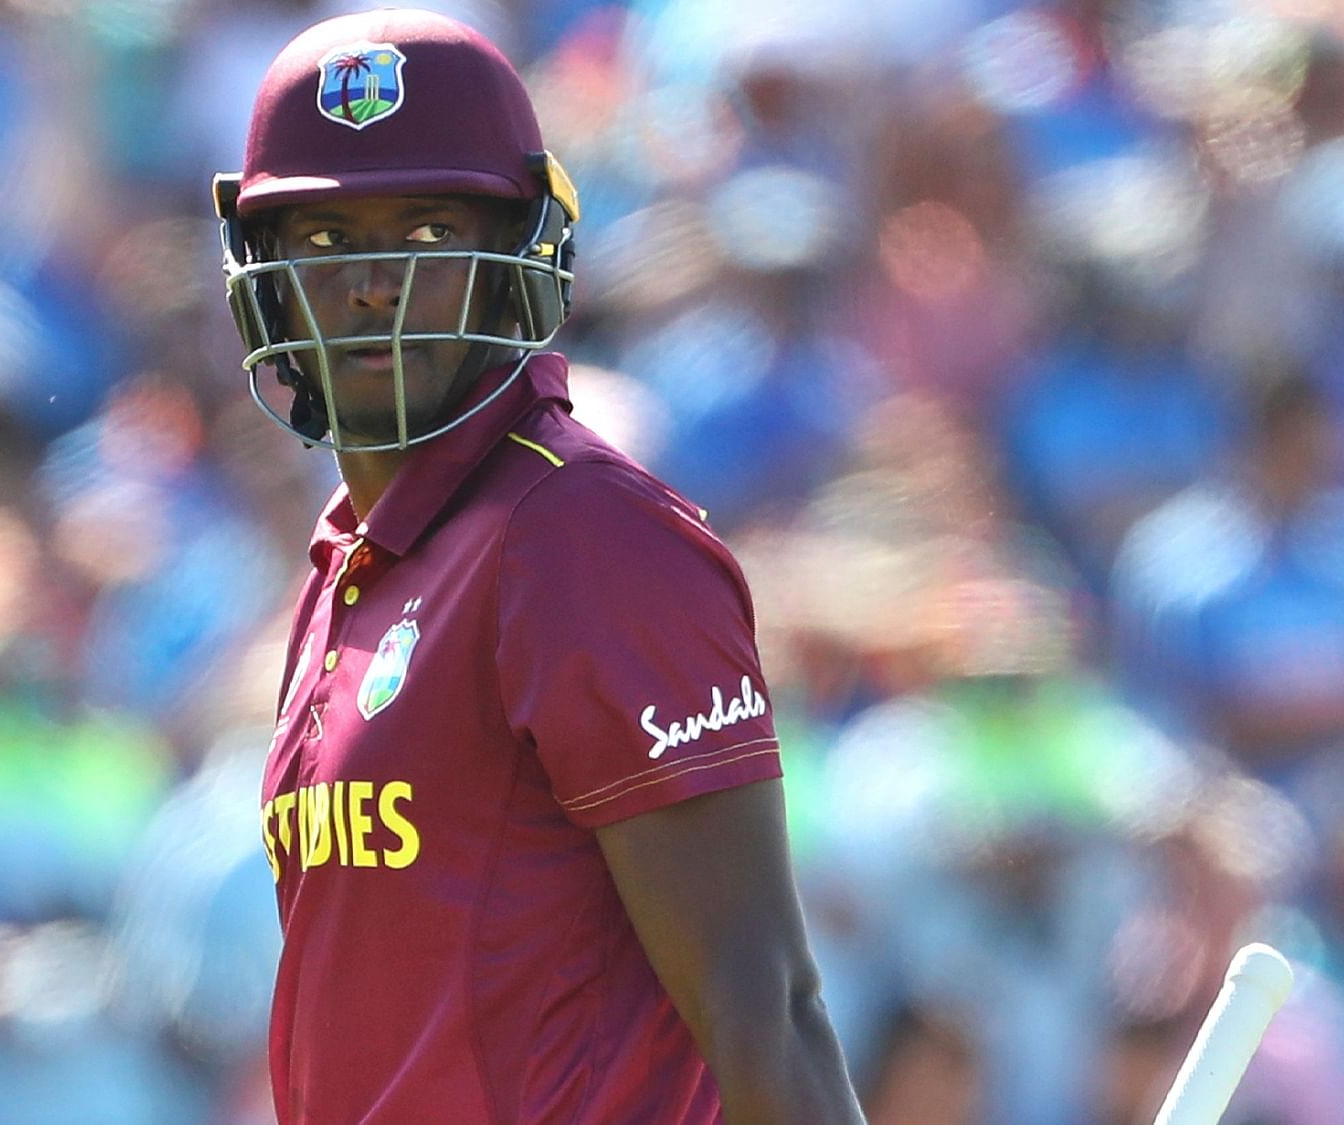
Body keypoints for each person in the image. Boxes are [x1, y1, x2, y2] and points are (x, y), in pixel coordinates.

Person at [211, 10, 863, 1124]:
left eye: (424, 233)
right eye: (324, 241)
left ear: (521, 253)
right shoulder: (346, 563)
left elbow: (767, 1010)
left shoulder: (583, 537)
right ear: (261, 273)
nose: (372, 283)